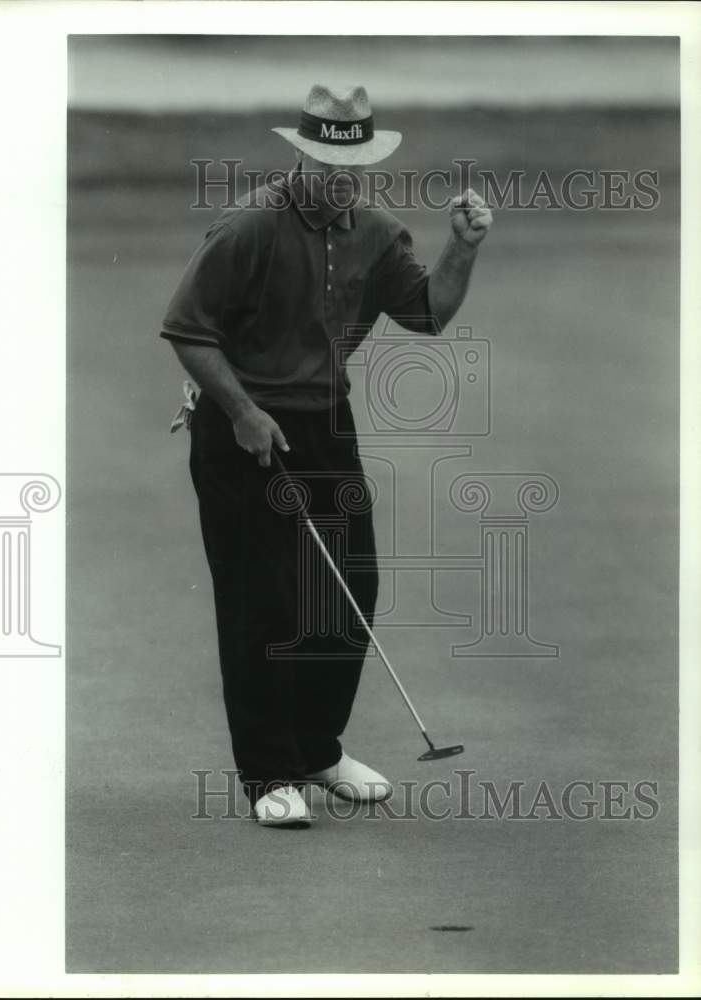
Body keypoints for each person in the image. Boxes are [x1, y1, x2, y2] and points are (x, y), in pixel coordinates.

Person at [160, 83, 492, 827]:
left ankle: (315, 748)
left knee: (349, 592)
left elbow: (429, 312)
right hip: (240, 427)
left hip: (323, 423)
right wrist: (242, 411)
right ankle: (267, 773)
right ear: (303, 156)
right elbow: (187, 328)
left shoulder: (375, 231)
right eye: (326, 164)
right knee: (262, 603)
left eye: (354, 167)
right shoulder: (249, 227)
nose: (340, 180)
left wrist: (463, 248)